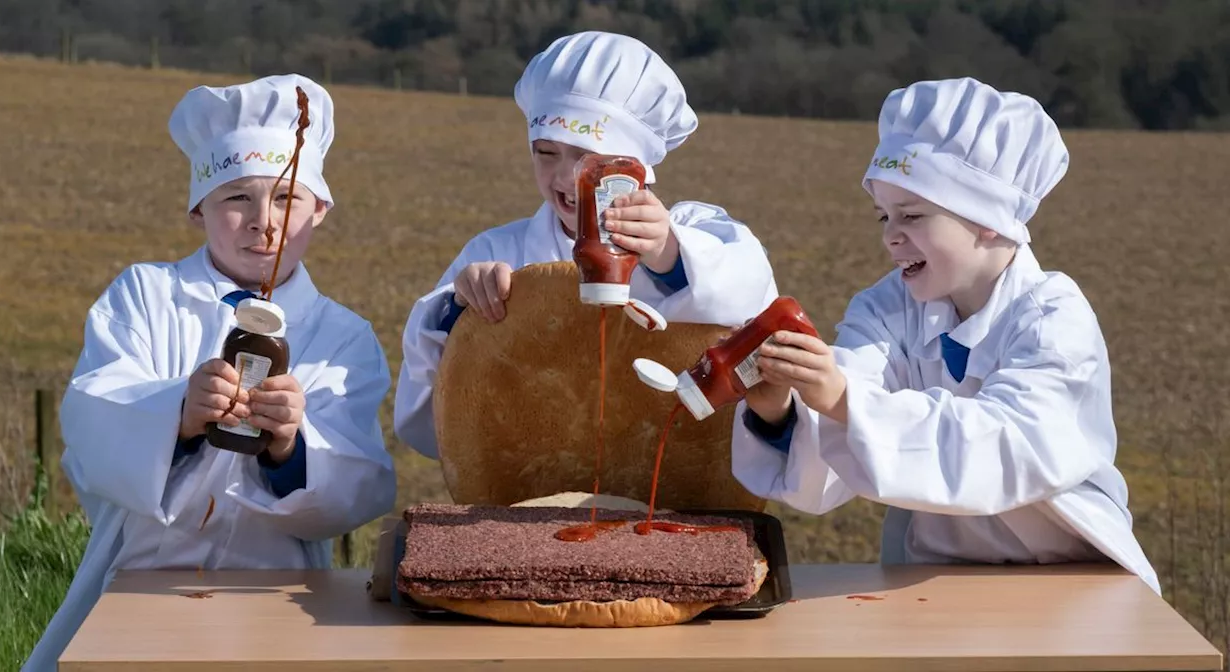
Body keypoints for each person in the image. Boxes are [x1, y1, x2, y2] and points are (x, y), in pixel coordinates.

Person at [730, 77, 1160, 594]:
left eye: (912, 215)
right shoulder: (886, 307)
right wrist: (778, 409)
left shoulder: (1052, 320)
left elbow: (1006, 446)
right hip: (933, 577)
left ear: (988, 222)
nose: (890, 234)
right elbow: (833, 440)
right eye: (884, 215)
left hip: (1073, 576)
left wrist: (843, 398)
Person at [24, 74, 397, 670]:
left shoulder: (342, 337)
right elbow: (91, 420)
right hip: (139, 582)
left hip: (274, 593)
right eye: (236, 198)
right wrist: (175, 413)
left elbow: (361, 484)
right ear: (199, 208)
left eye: (285, 199)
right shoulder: (145, 296)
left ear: (319, 210)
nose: (262, 222)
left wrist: (291, 449)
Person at [394, 31, 778, 459]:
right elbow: (431, 394)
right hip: (528, 482)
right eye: (545, 152)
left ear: (636, 167)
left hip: (674, 486)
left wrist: (669, 255)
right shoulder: (498, 251)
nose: (563, 178)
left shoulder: (700, 235)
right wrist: (460, 309)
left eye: (588, 158)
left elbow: (751, 300)